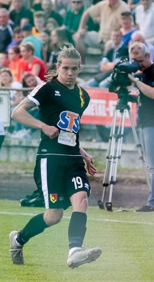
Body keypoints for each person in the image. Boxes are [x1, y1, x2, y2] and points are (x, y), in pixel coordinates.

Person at [8, 46, 101, 268]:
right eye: (66, 68)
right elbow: (17, 112)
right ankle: (18, 239)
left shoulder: (83, 96)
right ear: (58, 67)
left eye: (74, 69)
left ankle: (75, 251)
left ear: (79, 69)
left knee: (81, 200)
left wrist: (83, 153)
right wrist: (43, 126)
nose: (70, 72)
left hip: (73, 159)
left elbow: (70, 131)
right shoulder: (47, 89)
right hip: (50, 159)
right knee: (54, 216)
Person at [128, 41, 154, 212]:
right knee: (152, 164)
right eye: (135, 61)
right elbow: (144, 97)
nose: (139, 65)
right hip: (147, 123)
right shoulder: (144, 74)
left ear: (148, 56)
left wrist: (134, 81)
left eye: (141, 60)